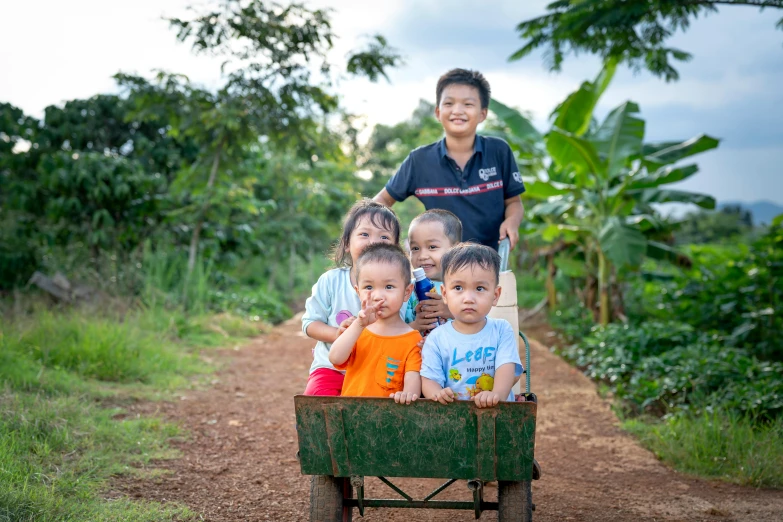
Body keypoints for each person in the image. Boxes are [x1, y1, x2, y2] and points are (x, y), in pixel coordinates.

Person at [373, 68, 526, 251]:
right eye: (449, 103)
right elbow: (381, 200)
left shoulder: (499, 151)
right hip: (438, 269)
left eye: (468, 104)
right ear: (438, 112)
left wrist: (511, 221)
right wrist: (385, 236)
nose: (457, 110)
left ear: (483, 113)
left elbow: (514, 202)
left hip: (488, 265)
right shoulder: (419, 160)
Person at [301, 199, 401, 396]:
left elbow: (404, 327)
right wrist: (338, 334)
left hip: (381, 370)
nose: (373, 242)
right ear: (347, 243)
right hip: (332, 368)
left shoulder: (401, 287)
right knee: (318, 404)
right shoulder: (331, 281)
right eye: (364, 234)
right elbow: (310, 324)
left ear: (395, 247)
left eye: (384, 236)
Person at [420, 242, 523, 408]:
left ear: (495, 295)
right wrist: (436, 393)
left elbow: (507, 368)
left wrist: (496, 395)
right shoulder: (437, 338)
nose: (468, 298)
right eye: (458, 287)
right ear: (445, 294)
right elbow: (429, 379)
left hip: (496, 415)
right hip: (454, 417)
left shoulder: (501, 330)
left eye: (480, 288)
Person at [329, 243, 422, 404]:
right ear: (358, 292)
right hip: (353, 415)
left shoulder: (413, 339)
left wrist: (408, 394)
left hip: (390, 421)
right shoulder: (356, 330)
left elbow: (413, 378)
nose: (378, 296)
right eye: (369, 287)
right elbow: (336, 358)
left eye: (389, 286)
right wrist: (358, 324)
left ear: (407, 292)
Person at [405, 209, 462, 335]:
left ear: (455, 249)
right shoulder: (407, 289)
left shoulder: (464, 286)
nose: (422, 256)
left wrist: (452, 311)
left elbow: (481, 321)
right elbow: (392, 329)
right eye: (415, 248)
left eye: (432, 247)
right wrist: (415, 326)